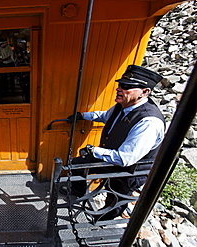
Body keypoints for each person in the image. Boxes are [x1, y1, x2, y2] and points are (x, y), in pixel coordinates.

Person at [62, 65, 165, 220]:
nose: (119, 89)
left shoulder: (149, 122)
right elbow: (105, 116)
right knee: (77, 164)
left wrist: (94, 150)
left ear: (145, 92)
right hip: (112, 158)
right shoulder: (123, 105)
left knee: (115, 199)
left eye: (127, 86)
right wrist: (82, 116)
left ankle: (101, 222)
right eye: (120, 84)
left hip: (130, 170)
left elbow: (125, 158)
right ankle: (78, 191)